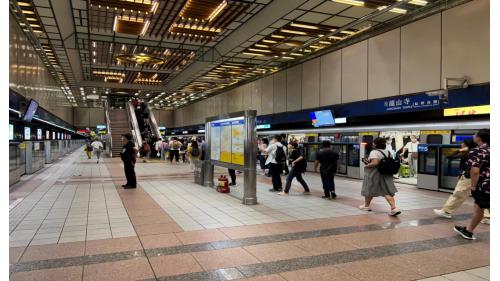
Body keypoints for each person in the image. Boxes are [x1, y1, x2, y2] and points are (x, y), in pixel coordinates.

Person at [454, 129, 490, 240]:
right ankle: (468, 231)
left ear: (479, 138)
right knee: (479, 207)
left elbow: (475, 171)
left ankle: (469, 231)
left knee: (480, 206)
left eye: (475, 134)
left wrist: (473, 186)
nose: (474, 136)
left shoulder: (477, 151)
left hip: (485, 185)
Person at [434, 139, 480, 218]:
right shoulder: (476, 152)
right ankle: (487, 217)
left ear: (466, 145)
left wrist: (459, 150)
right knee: (481, 197)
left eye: (462, 143)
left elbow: (449, 157)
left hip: (468, 177)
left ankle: (446, 211)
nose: (461, 144)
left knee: (458, 194)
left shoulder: (468, 153)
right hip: (478, 177)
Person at [359, 137, 401, 216]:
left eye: (374, 143)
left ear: (375, 144)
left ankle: (367, 206)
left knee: (369, 188)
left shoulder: (374, 152)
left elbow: (375, 163)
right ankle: (393, 208)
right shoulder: (388, 152)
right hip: (386, 174)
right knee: (386, 190)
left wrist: (367, 165)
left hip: (375, 174)